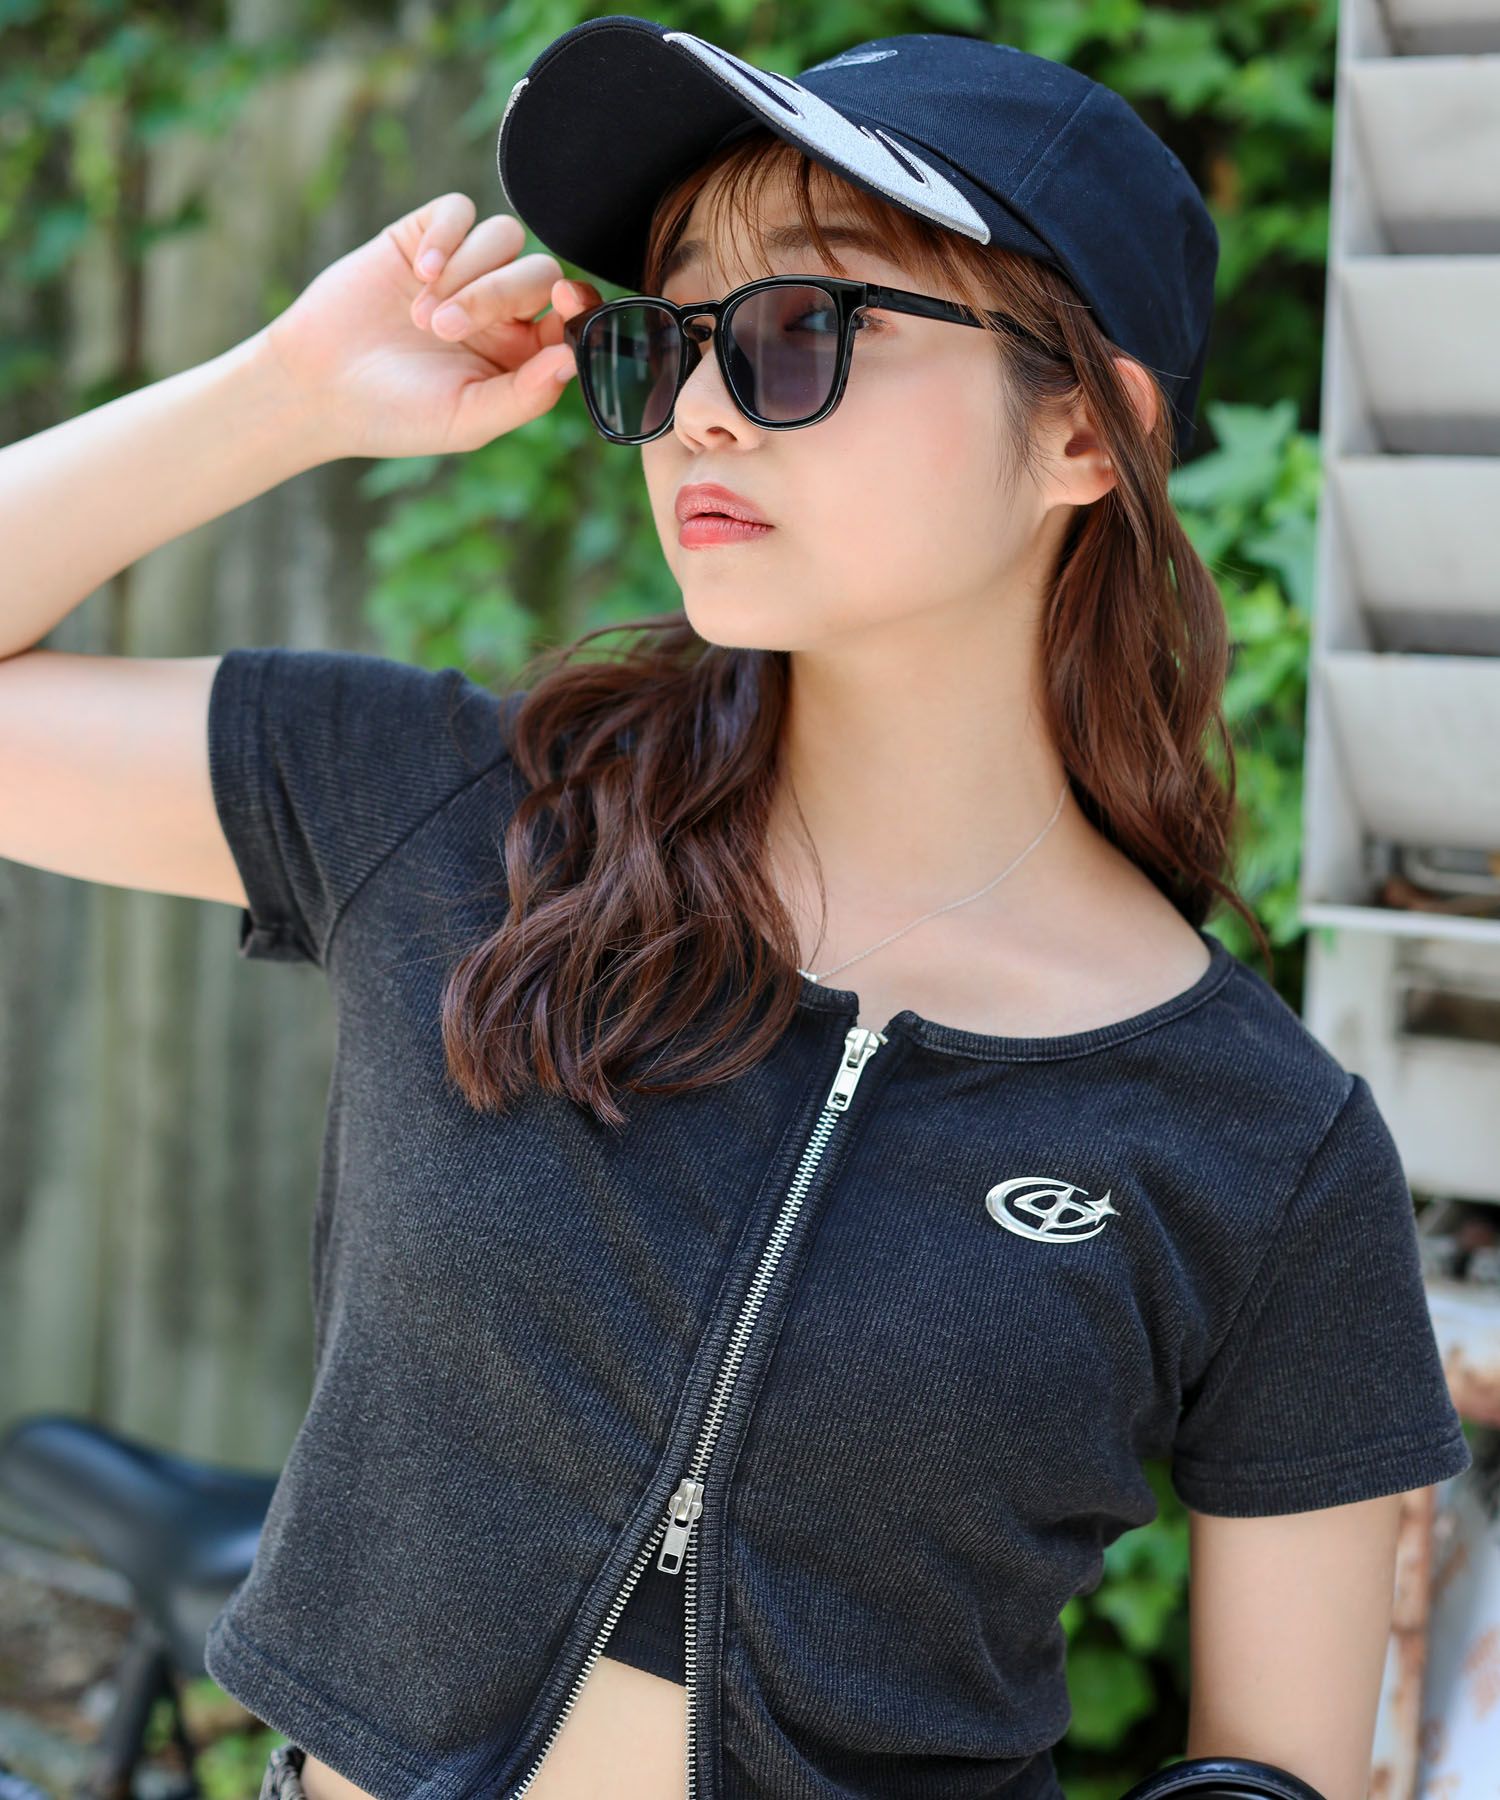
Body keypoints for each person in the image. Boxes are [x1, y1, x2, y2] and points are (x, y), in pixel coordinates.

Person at [0, 17, 1471, 1800]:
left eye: (798, 329)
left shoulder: (1263, 1142)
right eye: (672, 337)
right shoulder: (459, 814)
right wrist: (286, 396)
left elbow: (1271, 1775)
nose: (699, 404)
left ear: (1087, 428)